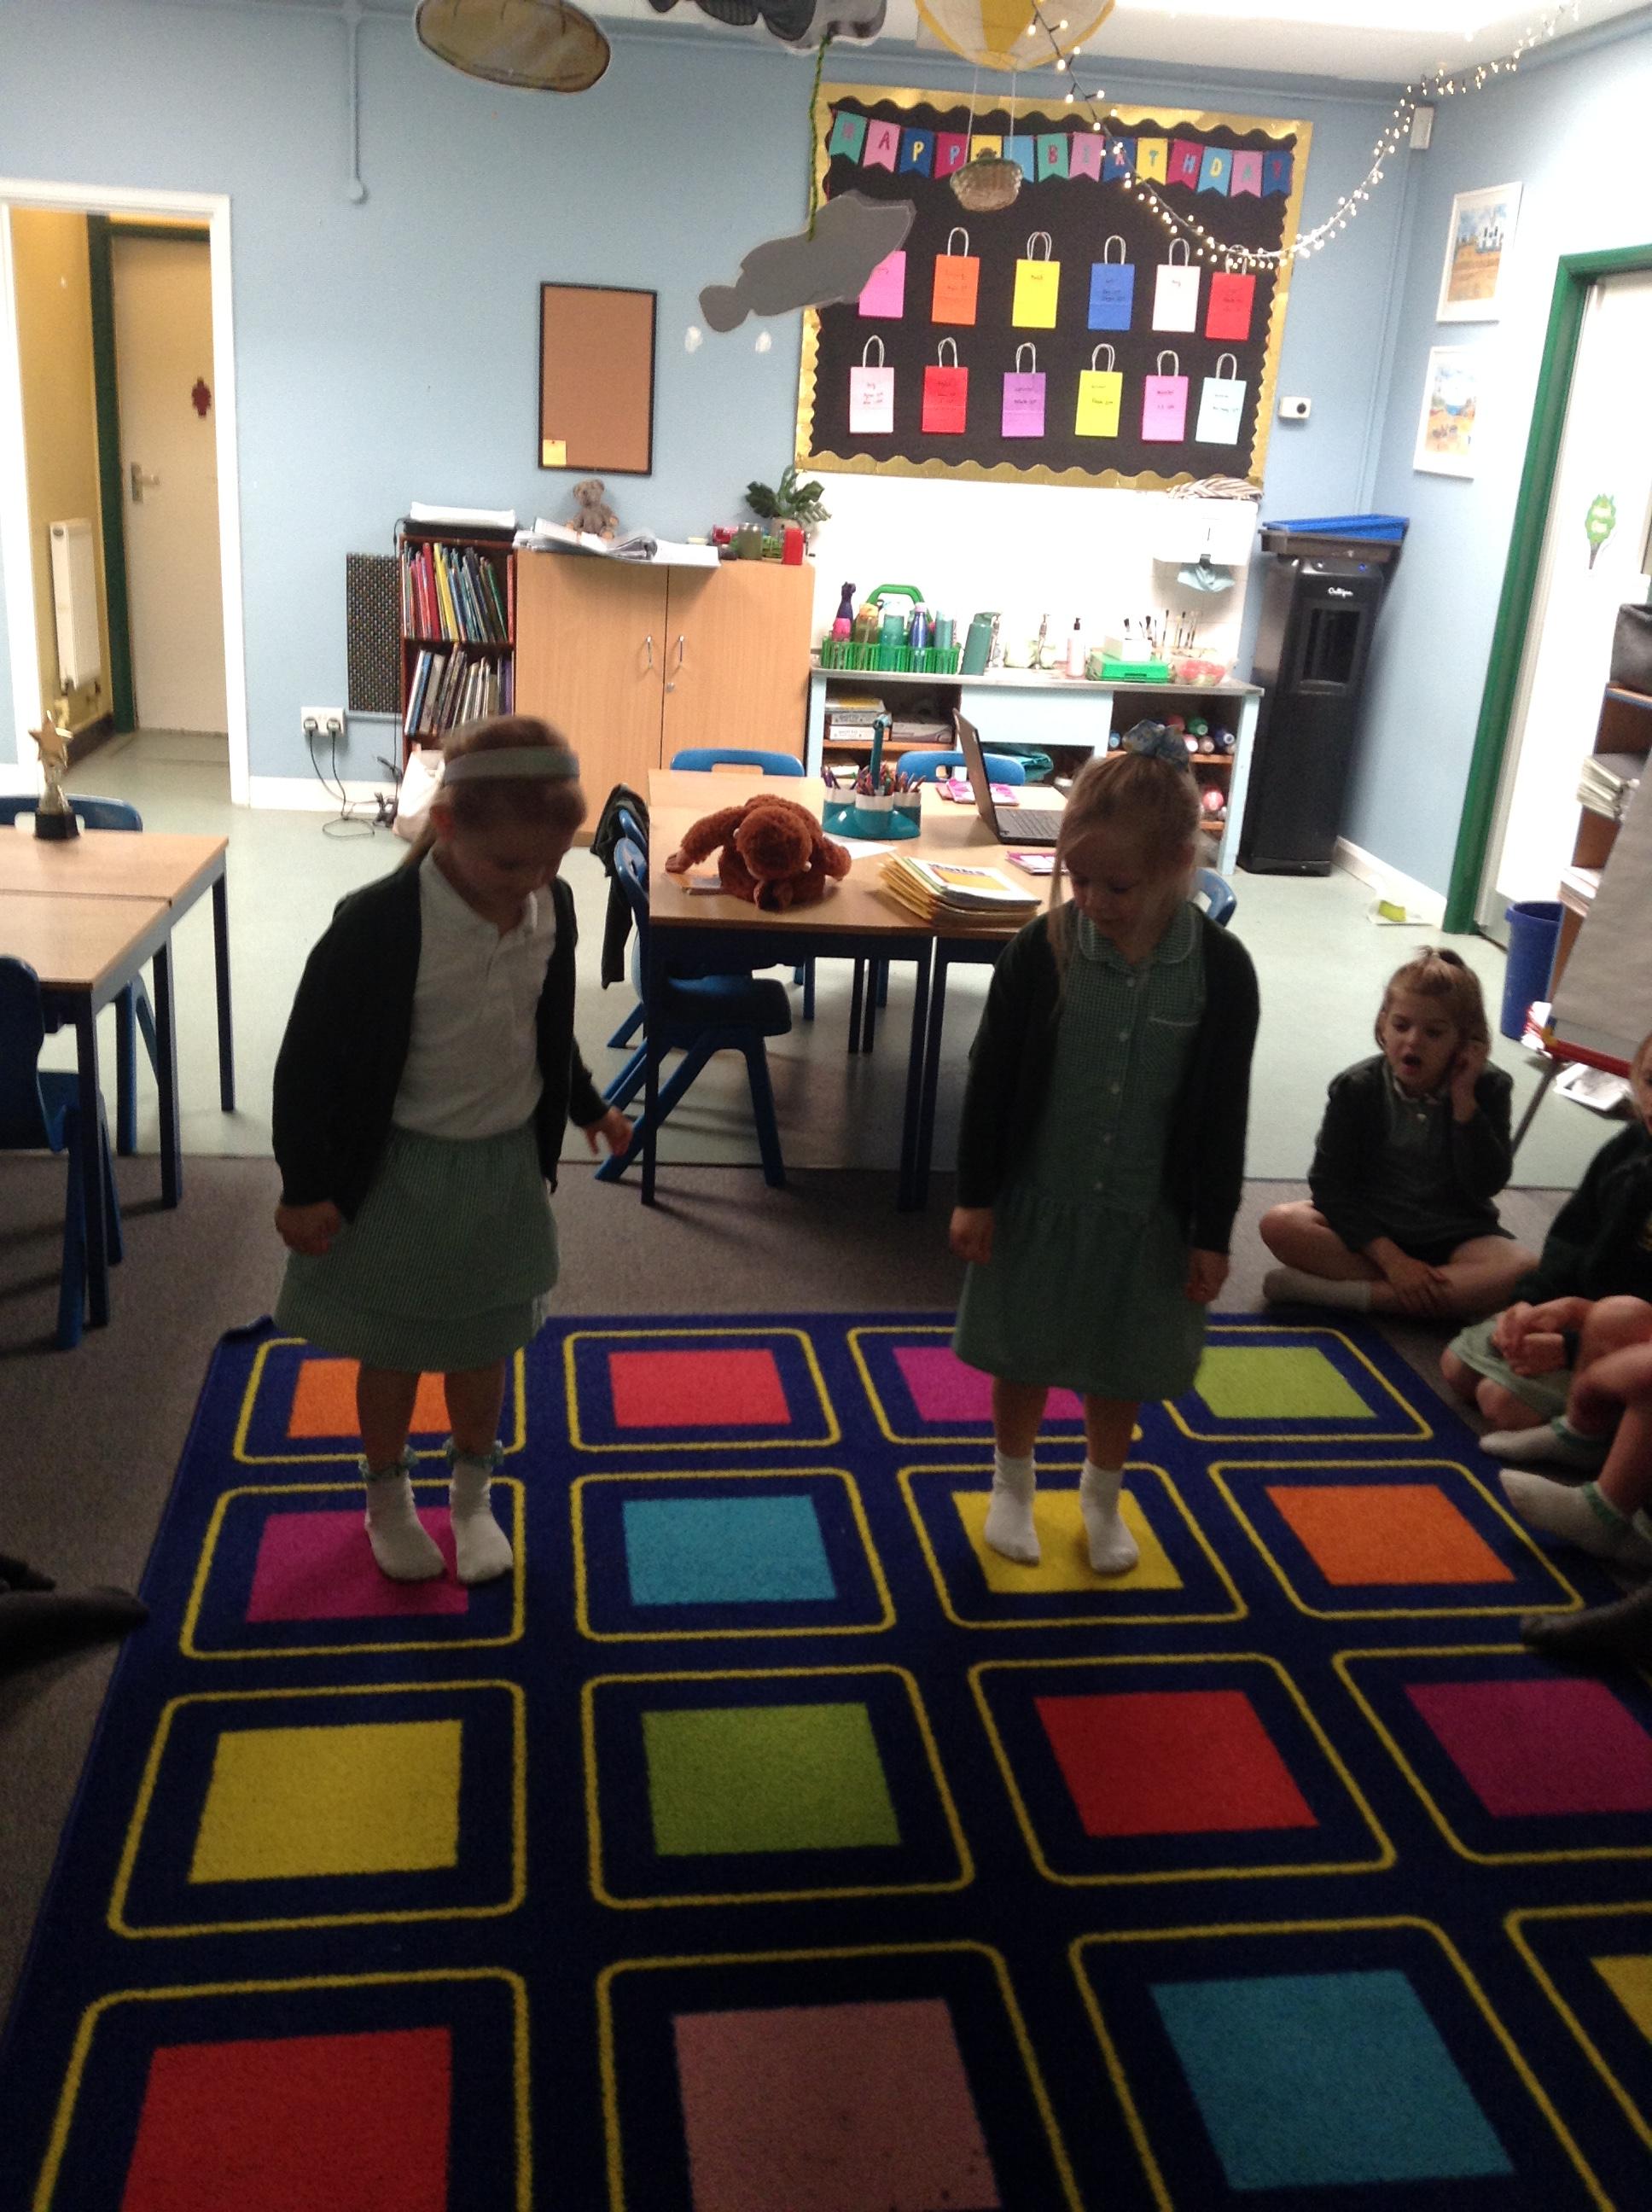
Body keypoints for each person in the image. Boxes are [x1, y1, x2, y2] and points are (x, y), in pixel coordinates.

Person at [272, 715, 631, 1585]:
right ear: (445, 826)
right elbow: (308, 1060)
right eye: (509, 865)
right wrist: (304, 1185)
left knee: (482, 1343)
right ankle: (387, 1499)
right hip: (401, 1169)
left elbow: (541, 1026)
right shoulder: (379, 925)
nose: (531, 883)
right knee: (394, 1346)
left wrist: (587, 1104)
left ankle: (472, 1498)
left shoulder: (550, 906)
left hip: (501, 1168)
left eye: (550, 863)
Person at [949, 733, 1259, 1573]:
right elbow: (990, 1080)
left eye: (1116, 886)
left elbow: (1223, 1111)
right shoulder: (1040, 952)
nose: (1091, 899)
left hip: (1146, 1212)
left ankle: (1101, 1492)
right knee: (1023, 1348)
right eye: (1077, 879)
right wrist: (975, 1193)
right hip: (1038, 1198)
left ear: (1178, 866)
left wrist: (1211, 1232)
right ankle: (1012, 1485)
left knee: (1120, 1361)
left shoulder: (1221, 971)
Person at [1260, 949, 1534, 1320]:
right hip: (1373, 1233)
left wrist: (1464, 1103)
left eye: (1434, 1033)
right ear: (1383, 1025)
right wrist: (1393, 1261)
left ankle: (1342, 1295)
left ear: (1463, 1041)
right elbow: (1329, 1185)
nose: (1413, 1041)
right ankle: (1441, 1297)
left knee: (1524, 1268)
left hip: (1456, 1234)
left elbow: (1488, 1183)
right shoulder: (1356, 1087)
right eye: (1402, 1026)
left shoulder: (1488, 1087)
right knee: (1280, 1224)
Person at [1440, 1028, 1652, 1437]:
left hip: (1623, 1341)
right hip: (1576, 1314)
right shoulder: (1628, 1146)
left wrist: (1570, 1347)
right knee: (1457, 1367)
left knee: (1500, 1403)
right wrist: (1530, 1303)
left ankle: (1597, 1433)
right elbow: (1570, 1238)